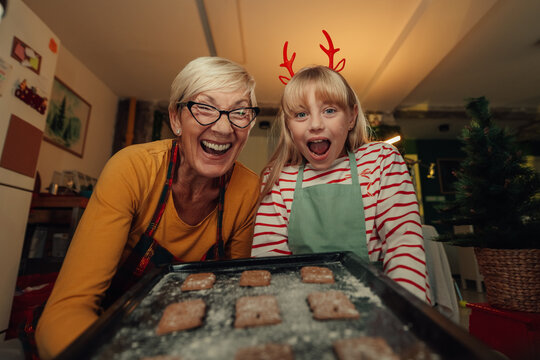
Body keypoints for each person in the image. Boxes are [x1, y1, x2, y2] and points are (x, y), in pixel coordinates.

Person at [36, 56, 261, 359]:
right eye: (205, 108)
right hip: (106, 334)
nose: (224, 127)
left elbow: (238, 300)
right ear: (176, 119)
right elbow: (65, 312)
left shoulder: (247, 190)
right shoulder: (132, 169)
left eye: (239, 112)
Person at [251, 65, 430, 303]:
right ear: (289, 126)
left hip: (379, 307)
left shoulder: (381, 161)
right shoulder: (279, 178)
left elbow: (403, 245)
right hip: (301, 306)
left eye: (329, 110)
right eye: (301, 114)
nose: (315, 124)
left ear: (351, 117)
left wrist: (408, 313)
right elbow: (271, 264)